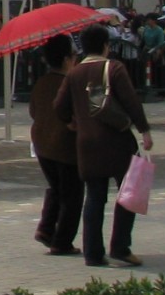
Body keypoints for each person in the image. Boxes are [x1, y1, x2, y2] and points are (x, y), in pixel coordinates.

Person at [56, 22, 152, 267]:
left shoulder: (74, 73)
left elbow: (59, 107)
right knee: (127, 193)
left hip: (86, 143)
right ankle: (120, 246)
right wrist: (144, 130)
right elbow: (131, 102)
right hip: (118, 141)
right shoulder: (114, 68)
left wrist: (71, 122)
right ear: (106, 45)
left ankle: (93, 253)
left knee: (95, 197)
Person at [28, 34, 81, 255]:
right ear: (67, 59)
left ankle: (47, 229)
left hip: (41, 145)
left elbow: (33, 111)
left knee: (56, 188)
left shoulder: (42, 82)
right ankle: (62, 241)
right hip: (64, 147)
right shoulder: (69, 84)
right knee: (72, 194)